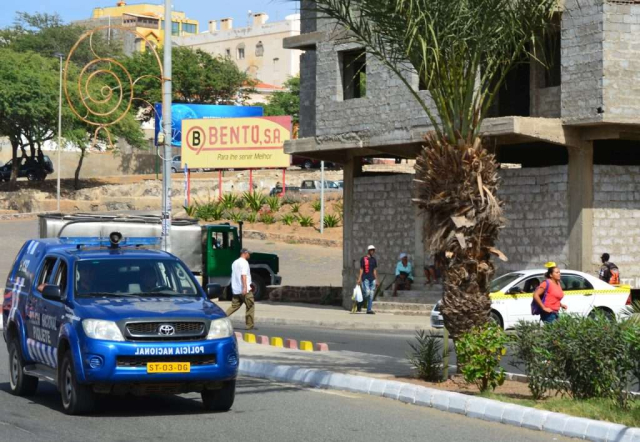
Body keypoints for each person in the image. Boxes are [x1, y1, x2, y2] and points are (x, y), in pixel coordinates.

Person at [226, 248, 255, 330]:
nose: (249, 255)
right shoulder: (244, 263)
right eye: (249, 253)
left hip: (236, 289)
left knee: (234, 306)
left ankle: (221, 317)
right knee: (250, 306)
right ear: (245, 253)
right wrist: (245, 287)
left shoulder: (235, 262)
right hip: (244, 289)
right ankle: (249, 325)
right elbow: (243, 275)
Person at [356, 245, 378, 314]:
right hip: (365, 278)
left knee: (371, 295)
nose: (373, 251)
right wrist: (359, 278)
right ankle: (360, 303)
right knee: (367, 292)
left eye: (373, 250)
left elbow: (374, 270)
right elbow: (361, 269)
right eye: (371, 250)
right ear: (369, 251)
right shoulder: (363, 259)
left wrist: (376, 280)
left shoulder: (374, 260)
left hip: (372, 279)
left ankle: (369, 309)